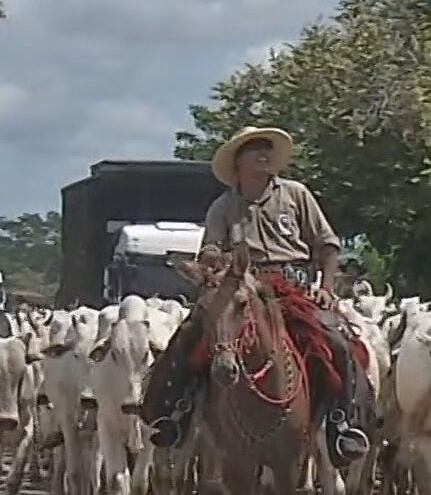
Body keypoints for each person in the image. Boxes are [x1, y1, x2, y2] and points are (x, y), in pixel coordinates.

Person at [141, 126, 373, 465]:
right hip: (240, 285)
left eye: (267, 148)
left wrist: (326, 289)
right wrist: (210, 262)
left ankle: (344, 423)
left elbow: (327, 245)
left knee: (336, 339)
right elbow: (210, 249)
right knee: (189, 337)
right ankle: (173, 414)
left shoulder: (295, 194)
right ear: (238, 162)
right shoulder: (223, 206)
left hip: (294, 288)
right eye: (254, 149)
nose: (264, 154)